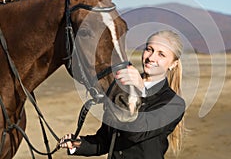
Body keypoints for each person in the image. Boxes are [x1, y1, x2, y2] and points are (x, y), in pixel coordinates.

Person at [59, 30, 186, 159]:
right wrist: (77, 144)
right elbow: (106, 141)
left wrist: (140, 91)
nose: (151, 57)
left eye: (161, 54)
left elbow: (136, 133)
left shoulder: (174, 104)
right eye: (149, 49)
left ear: (173, 64)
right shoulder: (121, 90)